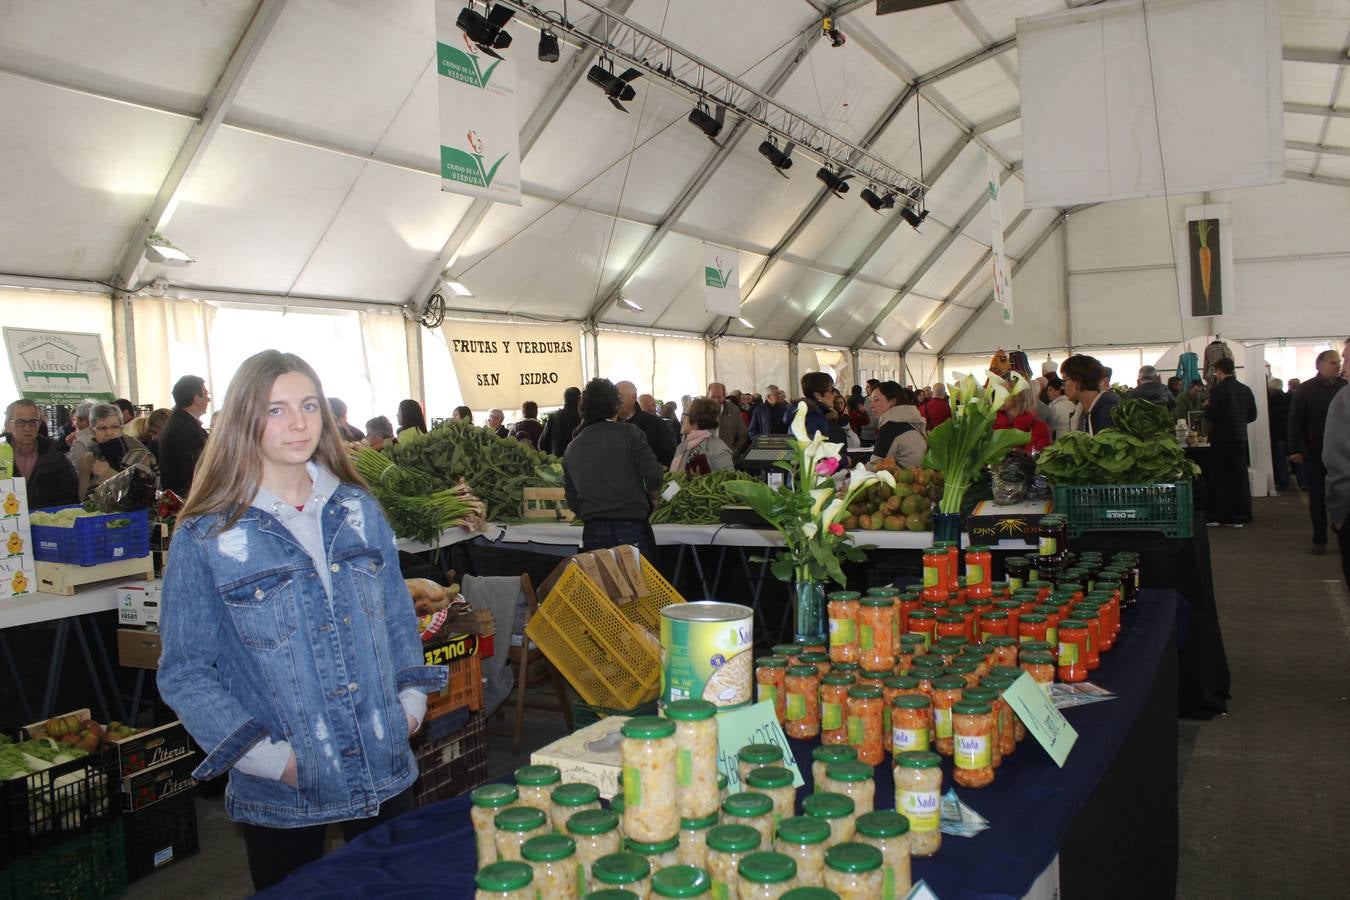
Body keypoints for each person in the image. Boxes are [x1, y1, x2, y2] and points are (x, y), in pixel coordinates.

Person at [156, 350, 445, 893]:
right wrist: (268, 759)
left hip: (385, 761)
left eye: (309, 405)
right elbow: (186, 670)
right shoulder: (208, 537)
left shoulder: (359, 509)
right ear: (245, 419)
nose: (299, 423)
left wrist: (410, 704)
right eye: (277, 409)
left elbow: (396, 615)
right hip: (285, 790)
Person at [562, 378, 663, 559]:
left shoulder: (573, 446)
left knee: (603, 585)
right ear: (615, 405)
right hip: (631, 525)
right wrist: (654, 499)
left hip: (593, 530)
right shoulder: (630, 433)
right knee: (637, 584)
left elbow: (572, 497)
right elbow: (654, 475)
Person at [1288, 349, 1346, 554]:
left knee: (1344, 495)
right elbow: (1295, 421)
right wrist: (1294, 449)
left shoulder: (1344, 387)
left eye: (1339, 362)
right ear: (1319, 366)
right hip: (1315, 453)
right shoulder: (1305, 390)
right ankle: (1319, 539)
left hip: (1343, 454)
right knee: (1318, 498)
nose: (1338, 366)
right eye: (1333, 362)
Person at [1204, 357, 1257, 528]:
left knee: (1220, 478)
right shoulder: (1245, 390)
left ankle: (1222, 516)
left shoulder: (1218, 391)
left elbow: (1213, 415)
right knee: (1240, 477)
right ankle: (1241, 515)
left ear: (1219, 371)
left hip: (1221, 440)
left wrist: (1206, 407)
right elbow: (1252, 415)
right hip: (1240, 439)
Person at [3, 399, 78, 510]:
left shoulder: (55, 457)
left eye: (33, 422)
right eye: (20, 423)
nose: (27, 428)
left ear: (39, 424)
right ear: (7, 426)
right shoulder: (1, 455)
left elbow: (69, 497)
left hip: (47, 522)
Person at [77, 403, 155, 499]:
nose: (109, 433)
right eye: (102, 428)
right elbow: (84, 501)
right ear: (93, 431)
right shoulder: (89, 458)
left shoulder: (137, 453)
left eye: (115, 427)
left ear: (122, 428)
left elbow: (143, 496)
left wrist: (107, 473)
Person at [158, 376, 211, 496]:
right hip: (187, 499)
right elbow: (195, 471)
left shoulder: (179, 423)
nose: (208, 399)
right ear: (197, 399)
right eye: (206, 394)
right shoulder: (185, 429)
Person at [1323, 382, 1350, 588]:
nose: (1342, 368)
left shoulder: (1344, 399)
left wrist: (1339, 516)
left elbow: (1338, 461)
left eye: (1346, 360)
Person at [868, 382, 927, 468]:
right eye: (871, 400)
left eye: (876, 400)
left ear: (892, 402)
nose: (871, 405)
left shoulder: (890, 428)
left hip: (904, 479)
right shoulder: (911, 421)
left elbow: (874, 467)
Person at [670, 397, 735, 475]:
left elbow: (728, 481)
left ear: (696, 419)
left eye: (685, 415)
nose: (682, 419)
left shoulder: (718, 449)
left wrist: (700, 482)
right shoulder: (683, 446)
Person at [616, 382, 675, 466]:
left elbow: (668, 456)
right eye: (613, 397)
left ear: (633, 397)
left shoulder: (655, 424)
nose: (615, 401)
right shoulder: (608, 424)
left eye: (619, 397)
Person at [1061, 355, 1119, 435]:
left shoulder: (1107, 412)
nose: (1062, 386)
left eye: (1065, 380)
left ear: (1079, 380)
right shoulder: (1086, 409)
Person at [788, 372, 847, 445]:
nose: (834, 395)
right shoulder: (815, 420)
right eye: (831, 390)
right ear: (818, 395)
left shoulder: (799, 415)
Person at [994, 384, 1052, 453]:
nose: (999, 395)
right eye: (998, 390)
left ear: (1020, 394)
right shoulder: (990, 423)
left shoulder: (1040, 428)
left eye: (1005, 391)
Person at [707, 382, 750, 458]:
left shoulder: (733, 410)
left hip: (728, 458)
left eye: (719, 397)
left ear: (724, 396)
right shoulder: (699, 410)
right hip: (705, 459)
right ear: (708, 395)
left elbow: (742, 435)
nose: (716, 400)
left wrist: (734, 452)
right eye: (713, 397)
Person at [539, 387, 581, 458]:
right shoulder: (583, 418)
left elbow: (542, 444)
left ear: (565, 399)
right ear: (579, 399)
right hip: (577, 460)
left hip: (558, 461)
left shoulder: (554, 417)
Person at [1267, 378, 1292, 492]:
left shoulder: (1270, 401)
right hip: (1290, 433)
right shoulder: (1290, 398)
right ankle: (1303, 482)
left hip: (1278, 434)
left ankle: (1284, 482)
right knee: (1297, 458)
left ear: (1271, 388)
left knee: (1280, 459)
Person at [1045, 376, 1076, 441]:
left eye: (1050, 389)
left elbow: (1048, 428)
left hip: (1060, 441)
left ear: (1058, 390)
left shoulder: (1054, 407)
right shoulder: (1072, 404)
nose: (1047, 393)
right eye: (1047, 390)